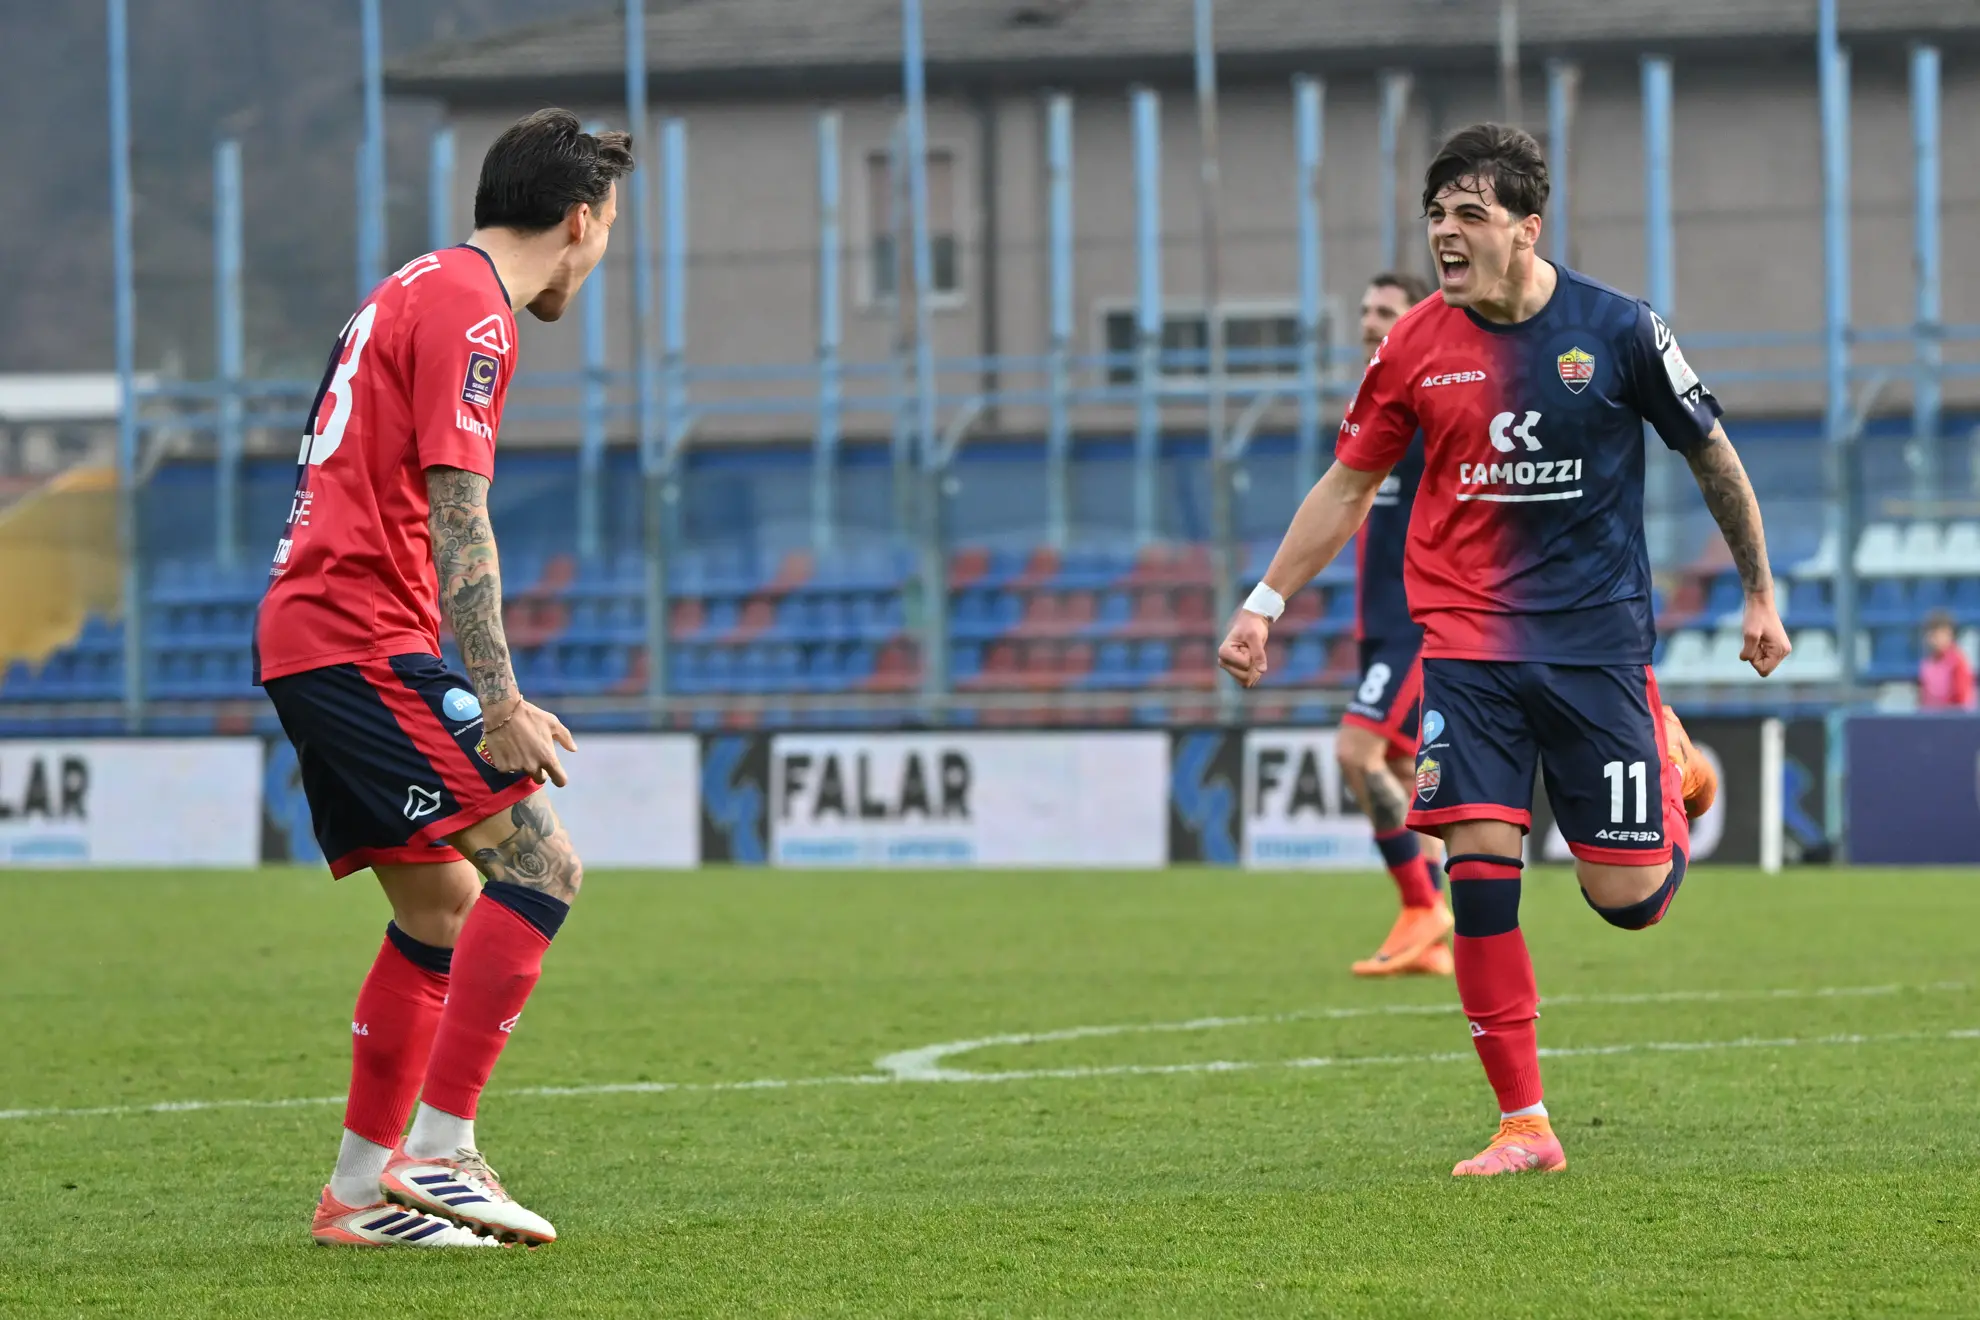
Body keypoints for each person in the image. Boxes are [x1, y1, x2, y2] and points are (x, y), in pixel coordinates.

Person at [1218, 123, 1778, 1177]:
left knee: (1626, 903)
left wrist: (1758, 591)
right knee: (1477, 872)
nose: (1446, 233)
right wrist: (1263, 602)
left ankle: (1668, 764)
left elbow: (1711, 452)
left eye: (1469, 214)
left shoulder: (1617, 330)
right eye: (1436, 215)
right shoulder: (1413, 346)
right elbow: (1348, 485)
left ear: (1527, 228)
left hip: (1595, 646)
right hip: (1467, 648)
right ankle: (1526, 1123)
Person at [255, 109, 632, 1247]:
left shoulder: (414, 284)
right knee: (543, 865)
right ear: (581, 221)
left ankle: (360, 1196)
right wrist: (499, 699)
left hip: (319, 630)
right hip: (360, 635)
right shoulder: (477, 314)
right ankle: (441, 1150)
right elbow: (459, 514)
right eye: (609, 229)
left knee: (440, 907)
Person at [1336, 271, 1452, 978]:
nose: (1369, 321)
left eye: (1385, 311)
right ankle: (1430, 941)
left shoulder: (1432, 403)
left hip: (1414, 617)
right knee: (1410, 772)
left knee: (1357, 753)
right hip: (1375, 622)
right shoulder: (1377, 401)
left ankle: (1421, 905)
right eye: (1365, 310)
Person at [1917, 610, 1975, 710]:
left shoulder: (1958, 662)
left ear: (1950, 634)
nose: (1935, 639)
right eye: (1932, 634)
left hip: (1952, 717)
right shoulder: (1926, 665)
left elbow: (1962, 700)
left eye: (1940, 634)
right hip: (1930, 717)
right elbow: (1923, 699)